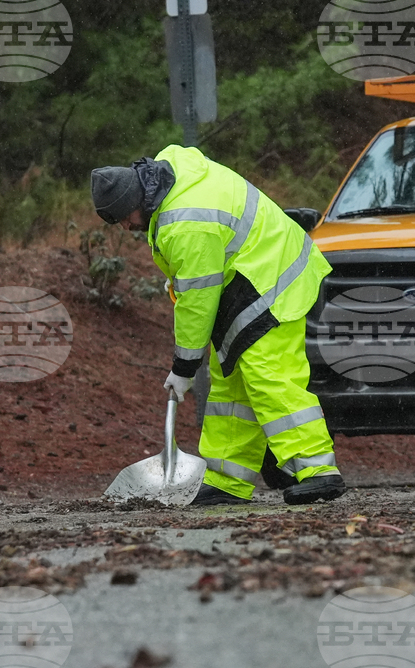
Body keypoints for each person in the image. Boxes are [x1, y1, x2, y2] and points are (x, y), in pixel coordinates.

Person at [90, 145, 345, 506]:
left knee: (270, 378)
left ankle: (319, 472)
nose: (128, 228)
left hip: (273, 283)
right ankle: (228, 479)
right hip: (247, 278)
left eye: (123, 218)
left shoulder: (186, 223)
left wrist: (184, 366)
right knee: (231, 385)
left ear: (135, 201)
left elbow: (198, 301)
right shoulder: (171, 174)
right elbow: (198, 278)